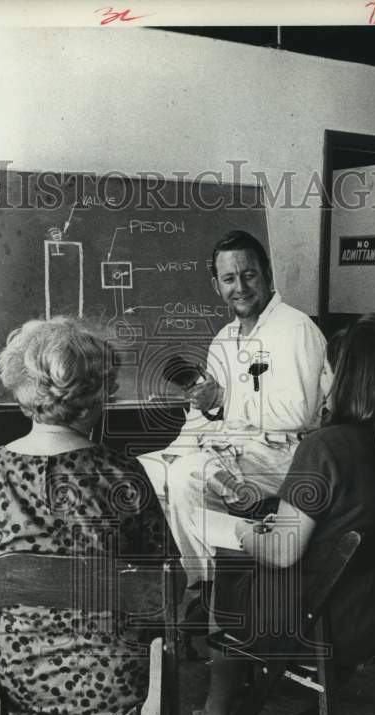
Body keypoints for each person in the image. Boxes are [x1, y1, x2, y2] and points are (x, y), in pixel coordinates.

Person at [191, 314, 375, 715]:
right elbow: (349, 521)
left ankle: (214, 713)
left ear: (347, 380)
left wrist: (238, 531)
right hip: (371, 621)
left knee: (226, 563)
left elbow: (283, 551)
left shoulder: (325, 446)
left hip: (316, 626)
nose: (321, 381)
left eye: (326, 371)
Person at [0, 316, 182, 715]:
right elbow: (167, 585)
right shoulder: (124, 476)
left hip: (14, 680)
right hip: (116, 686)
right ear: (97, 393)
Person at [140, 230, 331, 602]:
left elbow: (297, 412)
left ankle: (205, 592)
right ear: (216, 285)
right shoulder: (224, 338)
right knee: (146, 471)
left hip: (285, 458)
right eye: (229, 278)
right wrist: (178, 442)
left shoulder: (295, 328)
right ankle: (198, 578)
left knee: (187, 477)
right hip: (234, 450)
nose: (240, 287)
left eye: (249, 275)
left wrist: (224, 398)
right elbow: (205, 415)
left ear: (268, 274)